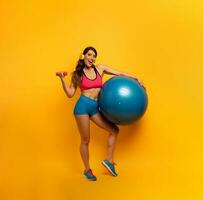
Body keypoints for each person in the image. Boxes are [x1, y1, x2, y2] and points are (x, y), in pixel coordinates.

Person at [56, 46, 145, 181]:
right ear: (83, 56)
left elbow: (119, 73)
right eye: (89, 55)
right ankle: (87, 170)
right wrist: (62, 78)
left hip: (95, 108)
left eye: (94, 56)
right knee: (85, 140)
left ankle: (109, 160)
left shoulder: (100, 69)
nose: (92, 58)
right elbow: (70, 94)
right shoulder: (78, 74)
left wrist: (136, 77)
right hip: (82, 108)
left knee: (114, 130)